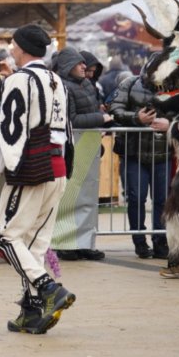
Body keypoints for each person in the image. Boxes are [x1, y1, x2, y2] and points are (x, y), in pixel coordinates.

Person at [0, 24, 76, 334]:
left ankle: (49, 289)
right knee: (34, 244)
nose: (10, 48)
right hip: (58, 167)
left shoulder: (19, 80)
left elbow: (9, 127)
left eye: (13, 44)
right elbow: (67, 129)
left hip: (30, 166)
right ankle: (32, 312)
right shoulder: (56, 79)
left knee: (4, 235)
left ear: (21, 48)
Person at [52, 47, 112, 262]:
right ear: (68, 66)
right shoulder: (62, 87)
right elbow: (71, 120)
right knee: (70, 195)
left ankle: (85, 241)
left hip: (88, 145)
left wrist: (100, 116)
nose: (84, 67)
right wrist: (100, 118)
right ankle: (66, 243)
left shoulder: (87, 85)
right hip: (71, 146)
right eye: (79, 63)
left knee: (87, 196)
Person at [108, 59, 171, 260]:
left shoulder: (174, 85)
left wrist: (170, 123)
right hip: (133, 152)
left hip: (163, 154)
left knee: (162, 200)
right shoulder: (129, 84)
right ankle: (140, 242)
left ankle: (161, 242)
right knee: (136, 198)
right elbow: (115, 109)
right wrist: (137, 118)